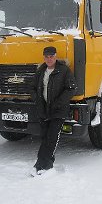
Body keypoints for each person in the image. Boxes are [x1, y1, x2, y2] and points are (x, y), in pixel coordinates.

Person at [31, 46, 77, 175]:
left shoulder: (64, 70)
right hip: (43, 110)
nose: (49, 59)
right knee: (44, 137)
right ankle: (41, 163)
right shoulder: (41, 71)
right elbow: (33, 88)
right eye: (47, 57)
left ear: (55, 56)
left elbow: (71, 89)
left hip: (58, 111)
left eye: (51, 56)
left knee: (52, 137)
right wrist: (37, 99)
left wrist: (59, 103)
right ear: (44, 57)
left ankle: (45, 166)